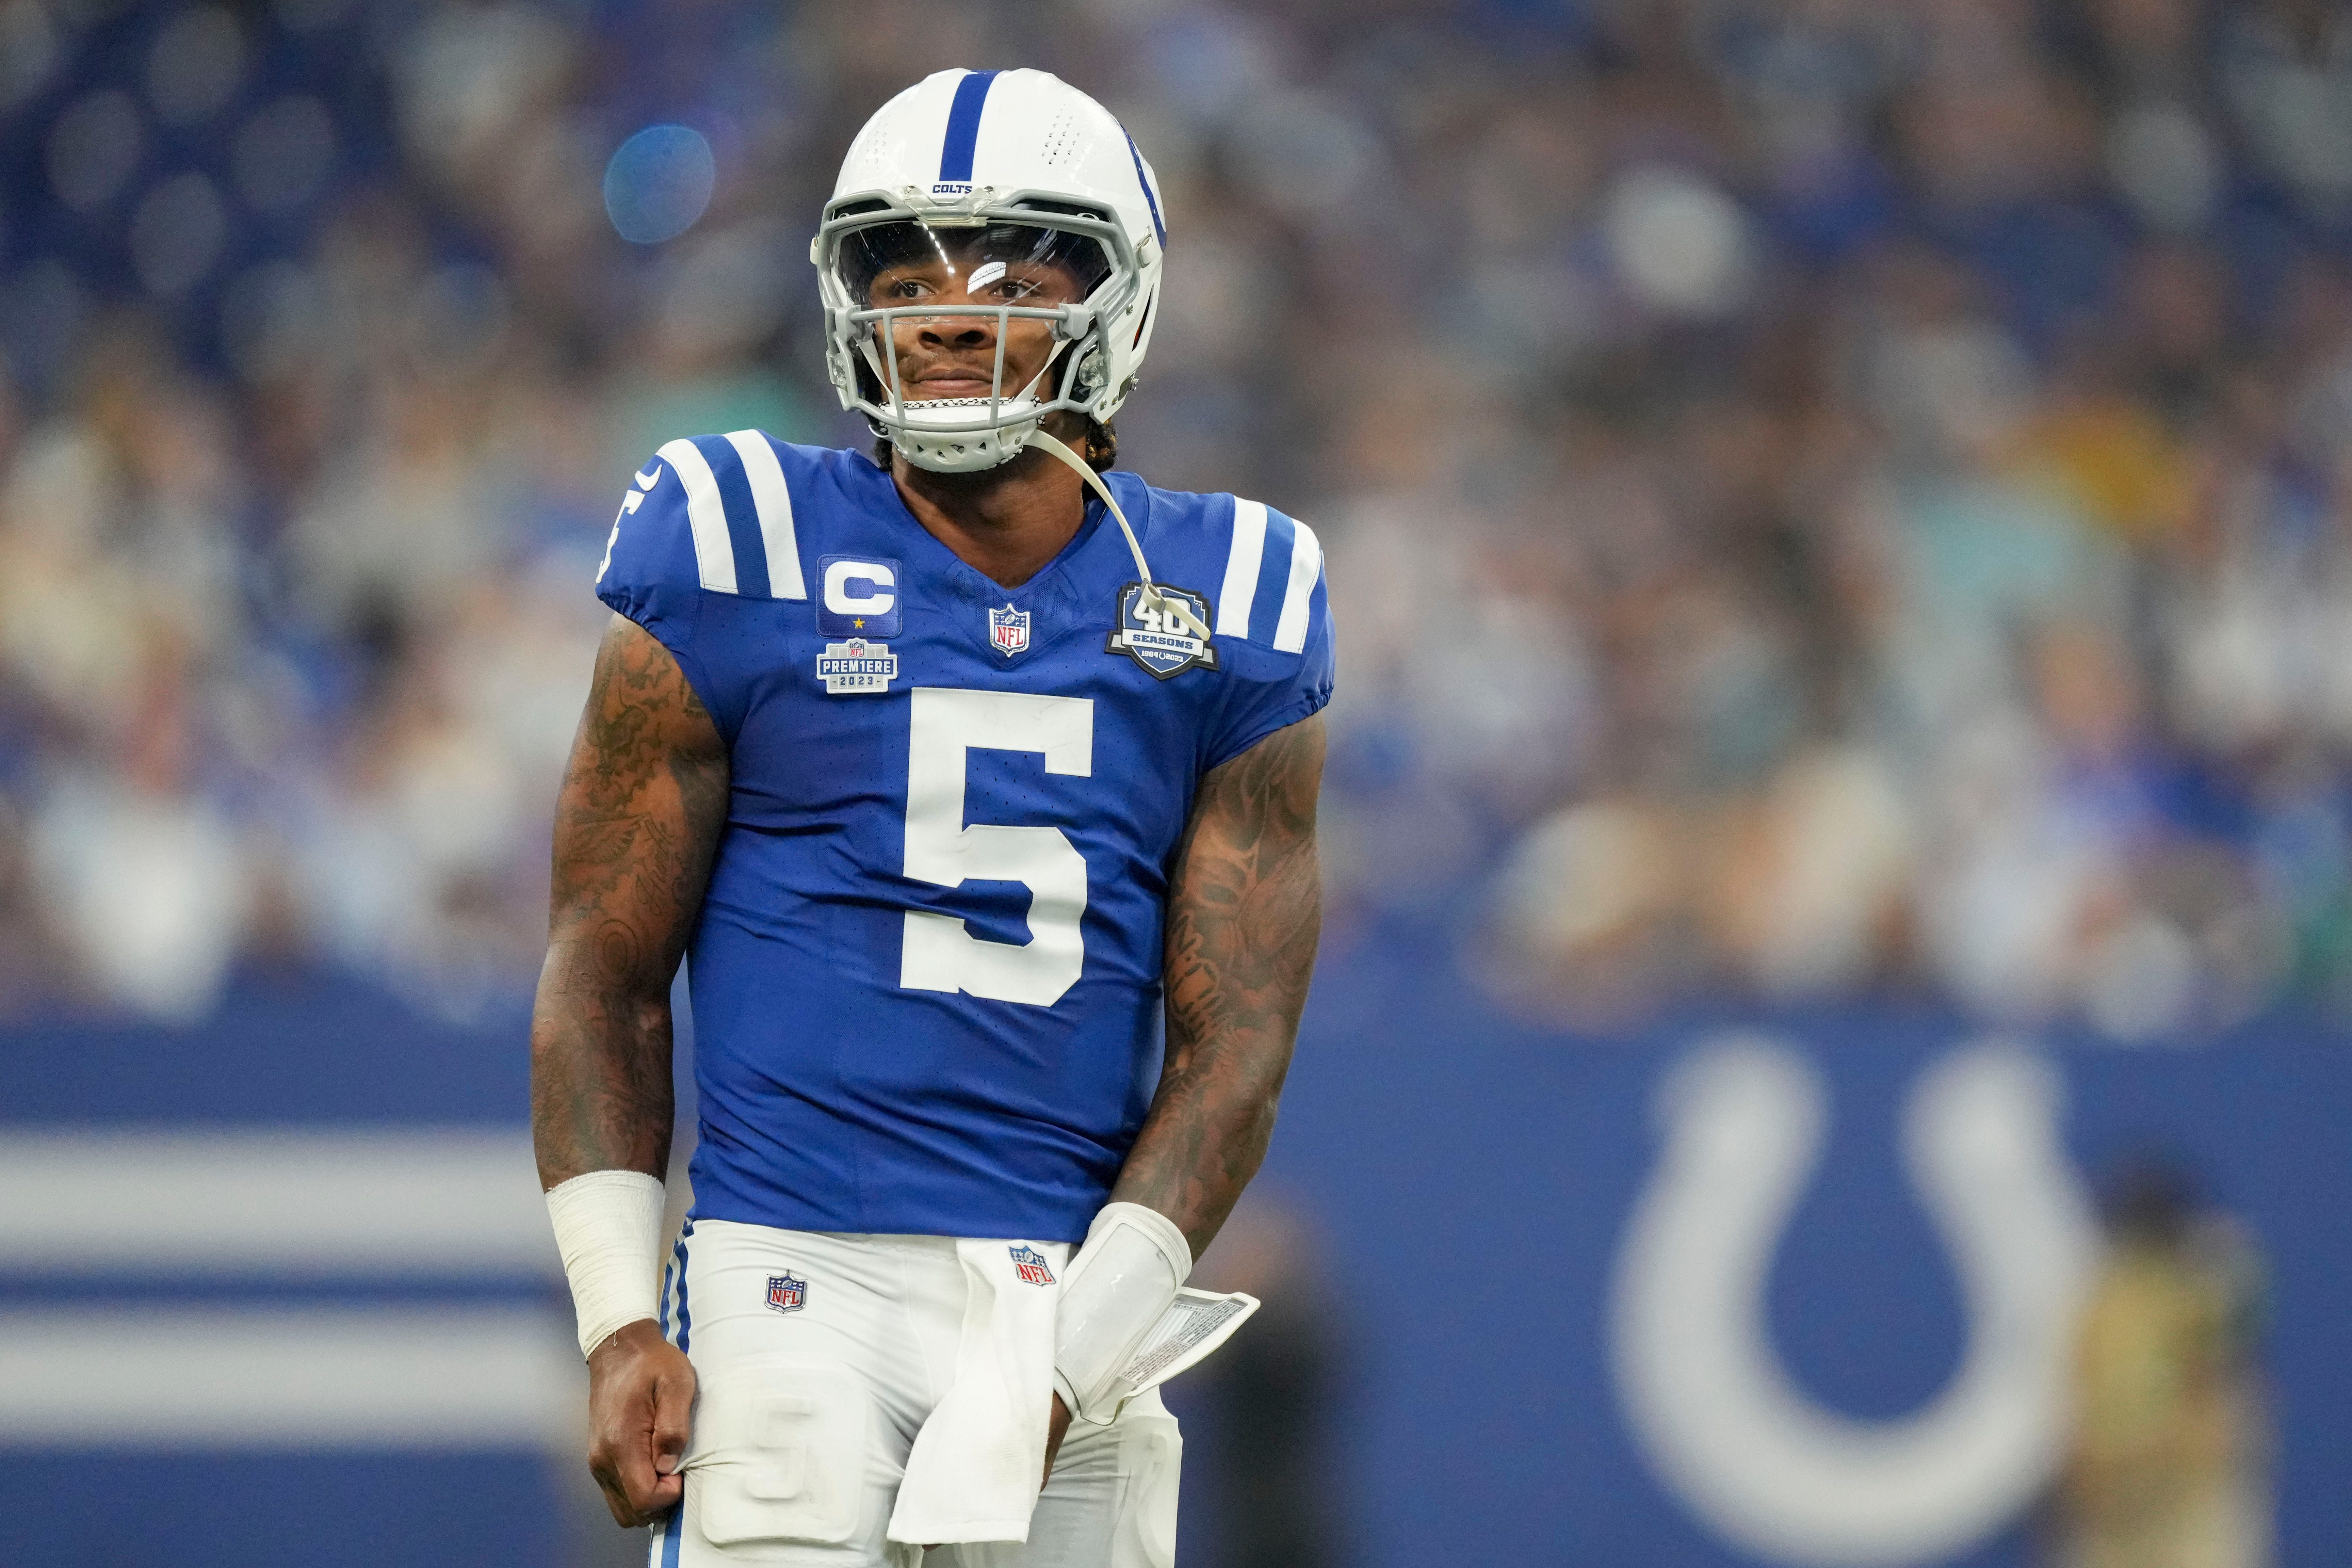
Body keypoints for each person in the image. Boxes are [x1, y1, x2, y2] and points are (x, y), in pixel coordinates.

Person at [530, 67, 1333, 1568]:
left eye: (1014, 267)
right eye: (905, 268)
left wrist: (1074, 1354)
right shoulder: (732, 536)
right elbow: (601, 962)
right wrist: (620, 1315)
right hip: (790, 1287)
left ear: (1120, 298)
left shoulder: (1237, 593)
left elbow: (1239, 1050)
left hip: (1069, 1292)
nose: (949, 310)